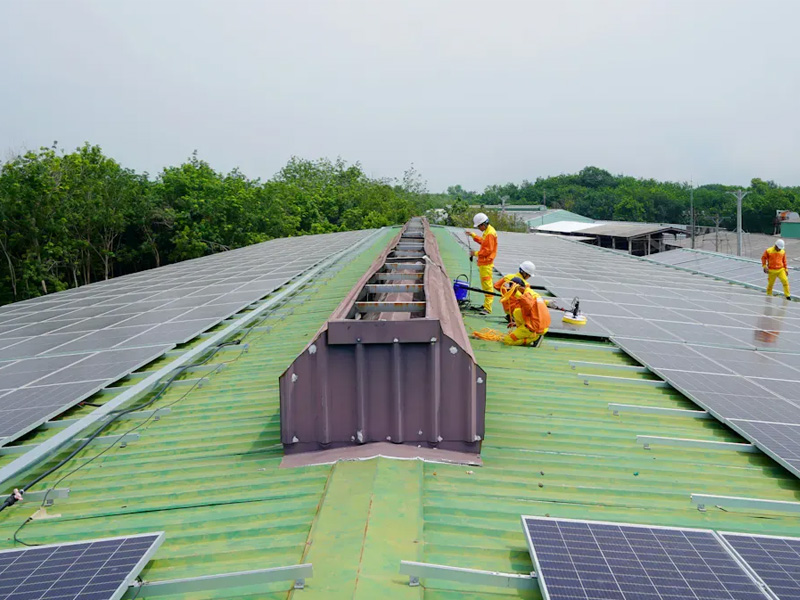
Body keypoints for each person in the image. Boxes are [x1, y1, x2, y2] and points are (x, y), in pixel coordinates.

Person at [503, 278, 553, 347]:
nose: (513, 292)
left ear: (518, 287)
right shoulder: (531, 293)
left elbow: (528, 307)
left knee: (507, 340)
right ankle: (531, 335)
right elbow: (531, 310)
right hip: (541, 324)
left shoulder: (525, 296)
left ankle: (534, 338)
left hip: (534, 326)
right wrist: (515, 323)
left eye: (514, 289)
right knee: (517, 311)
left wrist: (518, 294)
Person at [465, 213, 498, 315]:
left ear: (484, 224)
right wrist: (473, 235)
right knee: (485, 285)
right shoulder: (488, 231)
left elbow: (488, 250)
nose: (479, 228)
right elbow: (484, 243)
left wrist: (475, 253)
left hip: (486, 264)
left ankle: (487, 308)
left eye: (479, 226)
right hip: (484, 263)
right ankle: (485, 305)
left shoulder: (490, 233)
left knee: (487, 286)